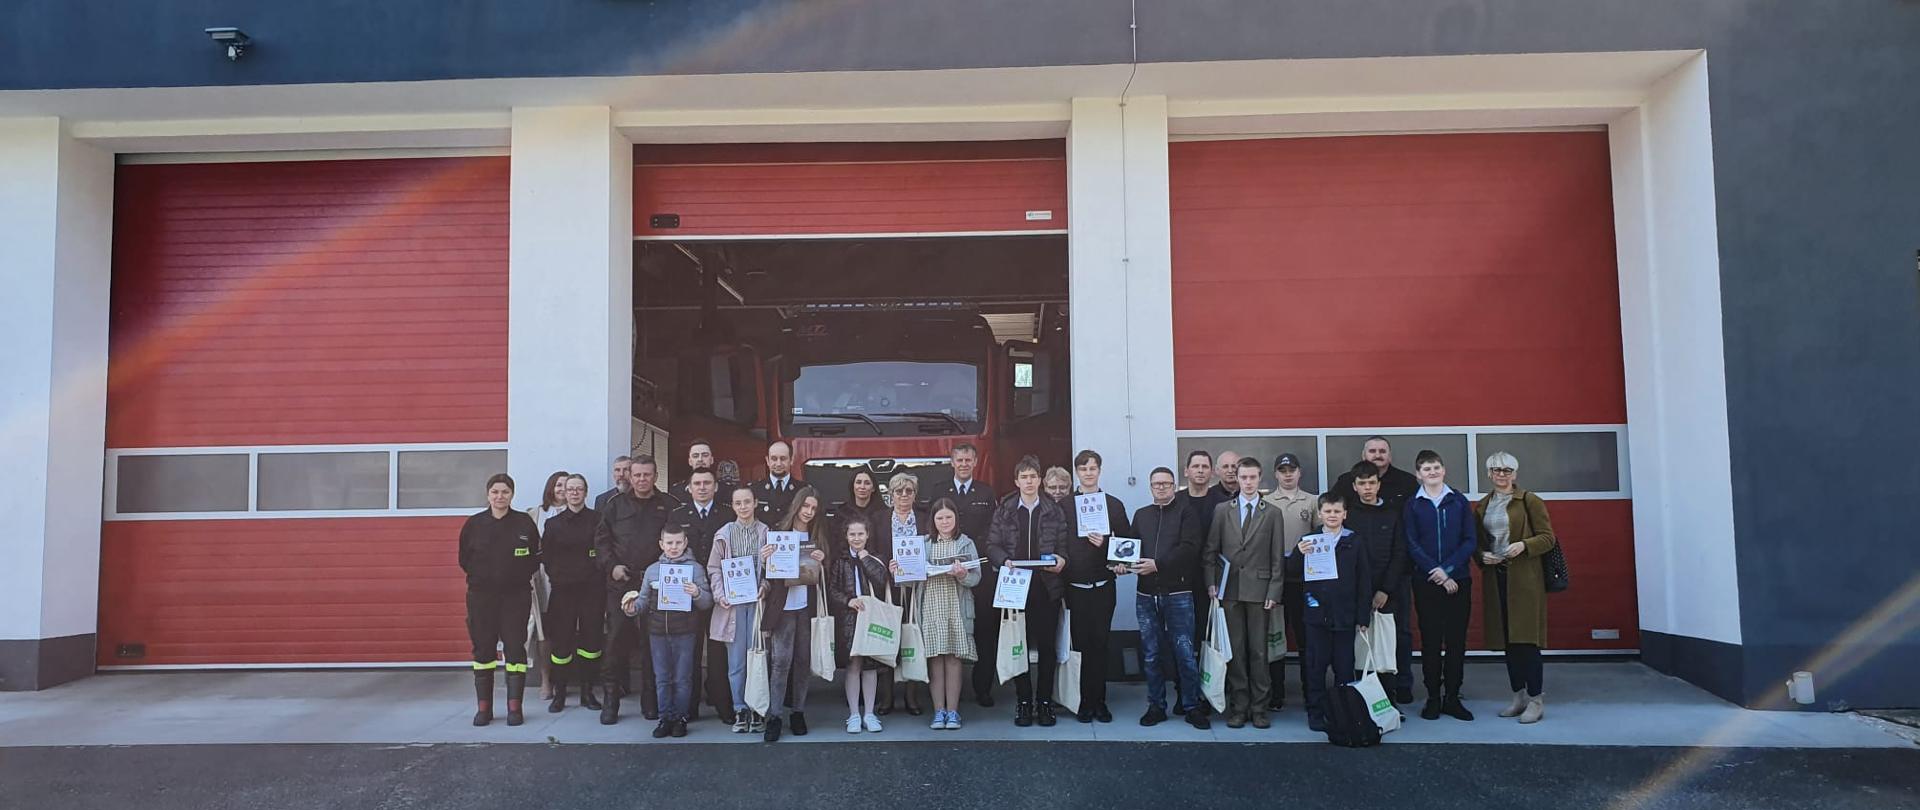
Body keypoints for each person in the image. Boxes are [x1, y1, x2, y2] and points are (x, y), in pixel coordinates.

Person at [986, 456, 1070, 727]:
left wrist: (1061, 560)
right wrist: (1003, 560)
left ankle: (1044, 702)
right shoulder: (1005, 509)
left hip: (1046, 586)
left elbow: (1063, 544)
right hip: (1015, 586)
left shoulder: (1054, 510)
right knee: (1017, 645)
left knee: (1047, 647)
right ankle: (1023, 702)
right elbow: (992, 545)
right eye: (1024, 477)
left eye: (1034, 476)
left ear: (1040, 480)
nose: (1029, 481)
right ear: (1016, 481)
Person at [1475, 452, 1558, 724]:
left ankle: (1536, 699)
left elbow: (1548, 538)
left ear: (1515, 473)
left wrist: (1524, 545)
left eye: (1507, 469)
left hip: (1524, 579)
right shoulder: (1483, 505)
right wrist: (1481, 556)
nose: (1502, 474)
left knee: (1527, 641)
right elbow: (1477, 542)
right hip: (1496, 577)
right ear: (1488, 473)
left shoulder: (1529, 501)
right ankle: (1518, 697)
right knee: (1508, 642)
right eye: (1496, 469)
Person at [593, 455, 675, 725]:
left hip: (655, 585)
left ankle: (650, 702)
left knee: (653, 645)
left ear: (655, 476)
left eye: (646, 475)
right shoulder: (614, 506)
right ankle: (611, 703)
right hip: (621, 584)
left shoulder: (668, 505)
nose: (641, 480)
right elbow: (601, 542)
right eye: (636, 475)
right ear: (629, 476)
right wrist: (611, 566)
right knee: (616, 643)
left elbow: (677, 542)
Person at [1202, 457, 1284, 729]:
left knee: (1259, 651)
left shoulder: (1271, 512)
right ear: (1236, 479)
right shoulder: (1223, 510)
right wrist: (1211, 582)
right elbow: (1211, 551)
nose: (1248, 482)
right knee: (1235, 650)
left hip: (1260, 590)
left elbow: (1276, 557)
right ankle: (1240, 706)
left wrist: (1274, 589)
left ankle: (1260, 708)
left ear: (1261, 479)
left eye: (1252, 477)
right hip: (1229, 589)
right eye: (1243, 477)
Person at [458, 473, 541, 727]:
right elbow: (464, 559)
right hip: (481, 597)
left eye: (505, 492)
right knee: (483, 650)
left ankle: (515, 708)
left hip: (515, 597)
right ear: (487, 495)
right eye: (495, 492)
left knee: (515, 650)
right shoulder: (474, 525)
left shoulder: (524, 523)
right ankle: (484, 709)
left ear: (512, 495)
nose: (500, 496)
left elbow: (535, 558)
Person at [922, 443, 1000, 708]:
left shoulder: (986, 492)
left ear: (975, 461)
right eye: (960, 459)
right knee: (948, 633)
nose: (964, 463)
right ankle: (943, 698)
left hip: (978, 569)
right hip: (943, 575)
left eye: (969, 459)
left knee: (984, 630)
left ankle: (983, 688)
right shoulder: (938, 491)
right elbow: (931, 526)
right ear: (951, 462)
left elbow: (993, 529)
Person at [1289, 494, 1373, 733]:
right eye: (1328, 512)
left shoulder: (1354, 541)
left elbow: (1363, 580)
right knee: (1315, 667)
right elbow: (1292, 572)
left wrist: (1362, 616)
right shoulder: (1309, 540)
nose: (1332, 516)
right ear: (1320, 514)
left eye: (1337, 511)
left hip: (1344, 617)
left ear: (1345, 514)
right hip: (1316, 616)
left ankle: (1343, 711)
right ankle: (1315, 711)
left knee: (1344, 667)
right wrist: (1298, 553)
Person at [1404, 450, 1477, 721]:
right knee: (1431, 641)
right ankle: (1433, 697)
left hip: (1458, 581)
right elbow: (1411, 542)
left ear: (1444, 470)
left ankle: (1453, 698)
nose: (1432, 472)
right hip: (1426, 582)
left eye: (1436, 467)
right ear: (1418, 474)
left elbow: (1469, 540)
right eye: (1426, 469)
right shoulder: (1412, 504)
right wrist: (1434, 571)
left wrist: (1447, 571)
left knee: (1456, 641)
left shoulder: (1458, 501)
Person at [1131, 467, 1207, 729]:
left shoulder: (1187, 512)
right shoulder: (1141, 515)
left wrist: (1158, 565)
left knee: (1184, 651)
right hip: (1146, 594)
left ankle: (1192, 705)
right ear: (1150, 487)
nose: (1161, 488)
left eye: (1166, 484)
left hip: (1178, 593)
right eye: (1156, 484)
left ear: (1174, 485)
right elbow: (1131, 547)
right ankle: (1156, 705)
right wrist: (1119, 563)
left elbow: (1190, 548)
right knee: (1151, 653)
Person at [620, 524, 712, 738]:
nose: (673, 547)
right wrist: (632, 609)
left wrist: (697, 592)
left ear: (685, 543)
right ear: (661, 544)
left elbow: (707, 602)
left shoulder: (695, 569)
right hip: (658, 632)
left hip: (686, 632)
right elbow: (643, 601)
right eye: (669, 543)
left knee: (682, 678)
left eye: (678, 542)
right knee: (661, 677)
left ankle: (680, 717)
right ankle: (665, 718)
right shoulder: (653, 570)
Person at [759, 486, 828, 741]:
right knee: (780, 662)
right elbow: (768, 573)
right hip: (783, 607)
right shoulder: (778, 532)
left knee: (802, 662)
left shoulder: (817, 534)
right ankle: (774, 716)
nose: (808, 512)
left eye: (813, 508)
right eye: (805, 506)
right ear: (797, 505)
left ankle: (798, 711)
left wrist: (822, 562)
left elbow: (825, 575)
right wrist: (765, 560)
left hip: (806, 607)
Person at [1065, 449, 1129, 723]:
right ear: (1077, 472)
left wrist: (1107, 547)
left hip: (1103, 584)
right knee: (1080, 644)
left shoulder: (1113, 504)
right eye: (1083, 468)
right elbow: (1058, 541)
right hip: (1075, 585)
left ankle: (1099, 701)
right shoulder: (1066, 505)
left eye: (1093, 468)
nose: (1088, 473)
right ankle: (1082, 701)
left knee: (1100, 643)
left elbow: (1126, 543)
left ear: (1099, 471)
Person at [668, 468, 734, 724]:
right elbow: (669, 548)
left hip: (721, 592)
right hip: (688, 593)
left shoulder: (727, 514)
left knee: (719, 651)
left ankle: (722, 703)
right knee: (689, 652)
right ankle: (689, 706)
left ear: (716, 487)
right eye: (697, 483)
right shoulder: (678, 515)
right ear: (689, 488)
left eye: (707, 483)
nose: (703, 487)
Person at [1345, 461, 1413, 704]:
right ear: (1354, 486)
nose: (1367, 488)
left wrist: (1385, 589)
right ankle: (1362, 702)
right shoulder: (1348, 515)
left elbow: (1399, 553)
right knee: (1360, 647)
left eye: (1371, 483)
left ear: (1379, 484)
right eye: (1362, 484)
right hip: (1356, 593)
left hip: (1389, 592)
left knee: (1388, 647)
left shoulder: (1393, 514)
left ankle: (1390, 701)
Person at [913, 498, 983, 730]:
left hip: (956, 605)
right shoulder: (923, 543)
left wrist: (962, 574)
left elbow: (976, 578)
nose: (944, 522)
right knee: (935, 659)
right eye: (940, 518)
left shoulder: (966, 543)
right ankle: (938, 711)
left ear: (956, 519)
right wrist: (900, 568)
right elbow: (909, 579)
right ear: (933, 520)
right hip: (931, 605)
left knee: (953, 659)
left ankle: (953, 712)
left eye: (949, 517)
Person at [1171, 448, 1231, 713]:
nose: (1200, 471)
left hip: (1212, 582)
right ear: (1186, 471)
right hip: (1179, 579)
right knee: (1181, 640)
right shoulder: (1177, 500)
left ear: (1212, 472)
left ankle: (1207, 693)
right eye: (1195, 466)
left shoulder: (1222, 502)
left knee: (1208, 640)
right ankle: (1182, 693)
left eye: (1205, 466)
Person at [707, 485, 770, 733]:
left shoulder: (766, 533)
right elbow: (713, 568)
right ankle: (739, 708)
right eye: (738, 503)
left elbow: (772, 570)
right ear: (732, 506)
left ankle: (757, 708)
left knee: (758, 656)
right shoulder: (723, 534)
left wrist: (765, 586)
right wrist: (720, 595)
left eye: (747, 502)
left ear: (755, 503)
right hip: (732, 607)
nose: (743, 507)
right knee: (736, 662)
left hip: (757, 603)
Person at [541, 474, 605, 713]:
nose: (575, 493)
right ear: (564, 493)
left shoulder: (598, 520)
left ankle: (588, 693)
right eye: (570, 489)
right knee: (561, 643)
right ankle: (560, 694)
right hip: (563, 592)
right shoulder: (553, 524)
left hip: (591, 591)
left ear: (585, 492)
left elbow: (601, 552)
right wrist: (559, 575)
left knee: (591, 643)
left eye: (579, 489)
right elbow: (546, 556)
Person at [1263, 453, 1318, 711]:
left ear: (1299, 473)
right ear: (1275, 473)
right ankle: (1276, 693)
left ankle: (1311, 692)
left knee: (1307, 638)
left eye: (1292, 470)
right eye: (1282, 470)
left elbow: (1321, 538)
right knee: (1275, 639)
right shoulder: (1265, 502)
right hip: (1275, 579)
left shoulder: (1313, 501)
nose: (1287, 474)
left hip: (1303, 580)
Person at [829, 515, 893, 733]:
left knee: (870, 667)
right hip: (850, 618)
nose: (856, 538)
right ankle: (854, 714)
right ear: (846, 536)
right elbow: (832, 590)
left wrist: (865, 558)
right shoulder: (840, 561)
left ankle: (870, 713)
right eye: (852, 534)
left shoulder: (876, 558)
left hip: (871, 617)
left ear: (868, 535)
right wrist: (848, 601)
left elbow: (881, 578)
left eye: (860, 534)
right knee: (854, 665)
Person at [880, 472, 930, 715]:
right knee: (888, 640)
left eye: (908, 491)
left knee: (912, 639)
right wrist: (885, 565)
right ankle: (887, 697)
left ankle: (912, 696)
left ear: (914, 494)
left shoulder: (924, 518)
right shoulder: (879, 519)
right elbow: (873, 550)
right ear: (891, 494)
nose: (903, 495)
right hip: (889, 587)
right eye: (898, 491)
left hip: (916, 588)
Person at [1330, 436, 1420, 513]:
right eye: (1372, 451)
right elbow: (1331, 509)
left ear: (1390, 457)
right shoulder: (1346, 481)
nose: (1377, 455)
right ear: (1363, 455)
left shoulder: (1407, 482)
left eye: (1382, 451)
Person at [834, 469, 888, 558]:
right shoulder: (841, 512)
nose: (862, 487)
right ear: (853, 486)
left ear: (873, 488)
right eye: (858, 482)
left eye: (867, 483)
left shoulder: (884, 513)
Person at [751, 441, 805, 524]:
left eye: (783, 459)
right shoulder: (754, 490)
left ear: (791, 460)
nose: (778, 464)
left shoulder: (803, 490)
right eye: (774, 459)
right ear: (767, 461)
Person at [669, 439, 715, 504]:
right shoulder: (677, 491)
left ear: (712, 460)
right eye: (695, 456)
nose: (700, 459)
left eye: (705, 455)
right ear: (690, 461)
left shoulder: (726, 491)